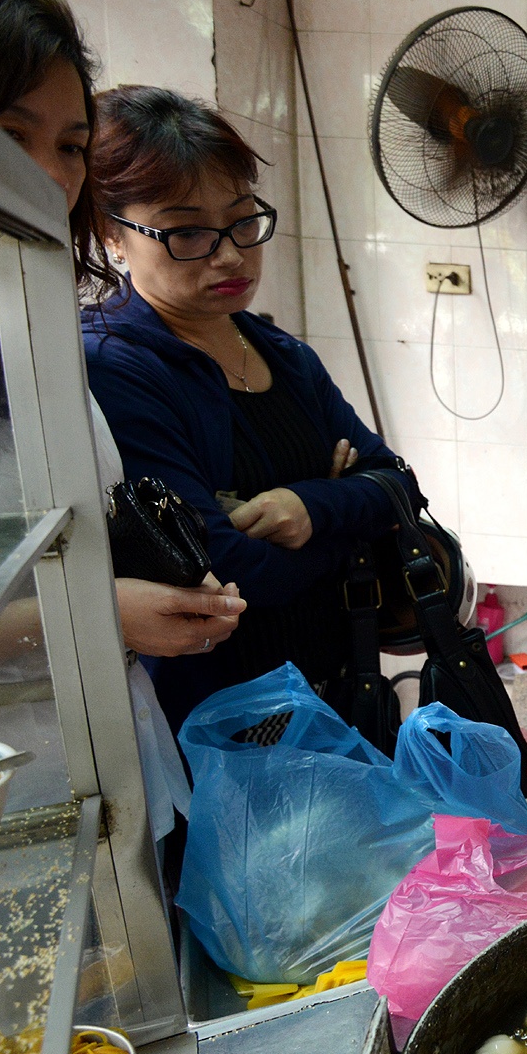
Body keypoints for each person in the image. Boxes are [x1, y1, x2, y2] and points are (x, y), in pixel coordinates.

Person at [0, 0, 244, 841]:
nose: (48, 180)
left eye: (68, 147)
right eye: (5, 135)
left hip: (114, 773)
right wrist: (92, 614)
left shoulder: (18, 324)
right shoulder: (118, 356)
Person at [83, 86, 406, 734]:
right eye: (187, 233)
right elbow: (224, 576)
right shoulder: (115, 366)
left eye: (241, 220)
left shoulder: (279, 351)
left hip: (343, 688)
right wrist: (349, 514)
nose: (230, 253)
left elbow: (397, 483)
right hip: (224, 720)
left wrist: (308, 507)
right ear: (112, 235)